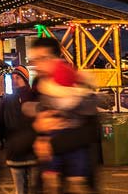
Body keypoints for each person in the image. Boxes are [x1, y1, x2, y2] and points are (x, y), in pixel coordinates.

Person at [28, 37, 99, 194]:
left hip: (78, 177)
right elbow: (15, 142)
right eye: (34, 60)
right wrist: (36, 128)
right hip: (45, 182)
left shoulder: (78, 86)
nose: (37, 65)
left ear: (56, 59)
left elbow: (91, 132)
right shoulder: (34, 90)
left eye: (42, 59)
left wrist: (50, 144)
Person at [0, 65, 38, 194]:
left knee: (34, 188)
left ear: (25, 79)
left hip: (33, 152)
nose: (14, 80)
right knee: (20, 189)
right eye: (13, 78)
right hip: (15, 152)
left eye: (18, 77)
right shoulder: (7, 100)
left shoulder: (34, 97)